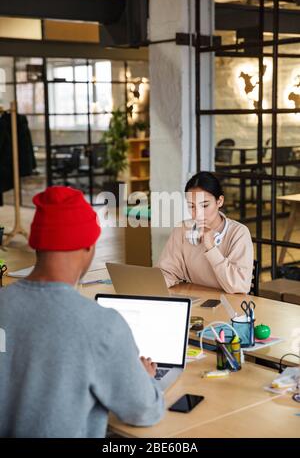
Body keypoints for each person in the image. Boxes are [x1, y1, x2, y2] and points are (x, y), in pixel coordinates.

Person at [0, 186, 164, 438]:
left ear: (36, 244)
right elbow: (144, 411)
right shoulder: (101, 326)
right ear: (88, 246)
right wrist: (143, 379)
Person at [158, 172, 253, 294]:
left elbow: (239, 286)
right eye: (191, 206)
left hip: (230, 306)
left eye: (204, 205)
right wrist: (149, 285)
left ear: (219, 201)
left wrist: (211, 248)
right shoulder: (182, 229)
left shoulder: (238, 233)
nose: (197, 214)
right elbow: (167, 272)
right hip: (196, 302)